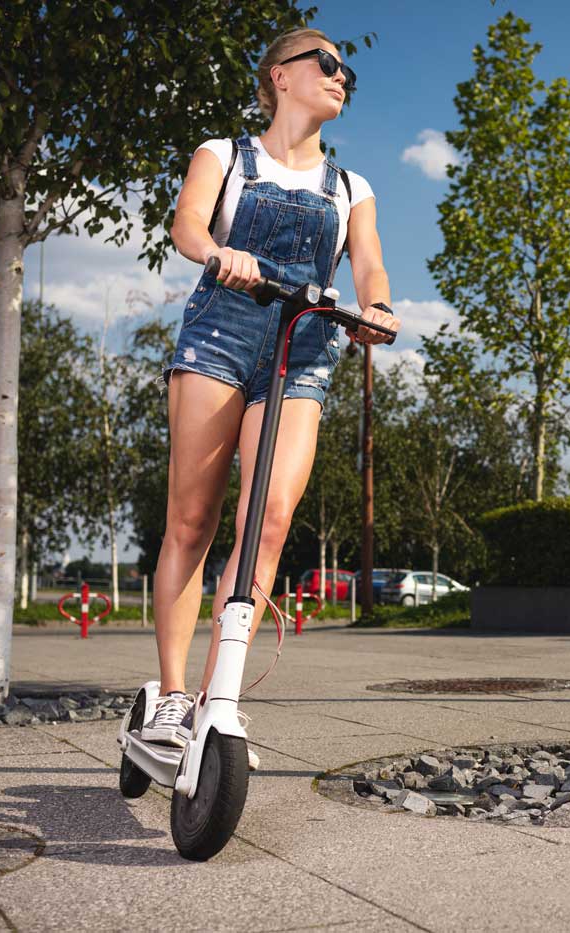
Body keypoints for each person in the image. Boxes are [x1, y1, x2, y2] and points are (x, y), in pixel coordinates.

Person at [140, 28, 399, 757]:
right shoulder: (223, 156)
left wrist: (375, 308)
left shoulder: (352, 188)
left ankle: (219, 701)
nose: (340, 76)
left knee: (271, 518)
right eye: (326, 63)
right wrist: (219, 252)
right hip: (220, 332)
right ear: (279, 77)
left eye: (347, 70)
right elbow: (187, 223)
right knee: (192, 520)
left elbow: (370, 267)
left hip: (305, 343)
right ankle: (169, 696)